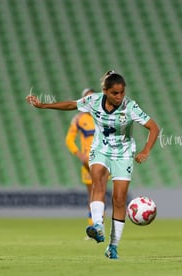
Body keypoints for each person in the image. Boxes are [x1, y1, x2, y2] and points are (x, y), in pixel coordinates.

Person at [26, 71, 160, 259]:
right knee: (98, 181)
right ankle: (98, 225)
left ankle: (113, 246)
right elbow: (72, 104)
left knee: (119, 199)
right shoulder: (94, 101)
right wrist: (43, 105)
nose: (119, 96)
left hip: (123, 154)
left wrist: (146, 150)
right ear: (105, 91)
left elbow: (154, 127)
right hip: (100, 149)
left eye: (122, 92)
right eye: (115, 93)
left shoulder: (130, 106)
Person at [65, 88, 95, 226]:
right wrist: (80, 155)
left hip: (103, 160)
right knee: (92, 195)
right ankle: (93, 225)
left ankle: (97, 225)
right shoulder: (78, 119)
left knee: (99, 193)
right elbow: (69, 140)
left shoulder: (103, 116)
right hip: (87, 162)